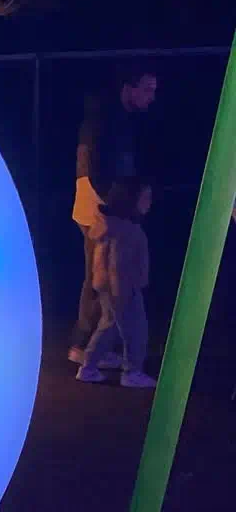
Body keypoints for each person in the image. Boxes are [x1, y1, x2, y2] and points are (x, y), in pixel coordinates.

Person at [70, 68, 157, 367]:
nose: (150, 97)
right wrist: (116, 205)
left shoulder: (114, 120)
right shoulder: (104, 121)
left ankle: (91, 345)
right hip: (100, 210)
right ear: (128, 87)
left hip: (104, 208)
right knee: (102, 279)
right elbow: (93, 166)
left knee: (101, 278)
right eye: (146, 89)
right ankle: (85, 345)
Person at [76, 177, 156, 389]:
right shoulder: (128, 231)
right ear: (131, 200)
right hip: (123, 288)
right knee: (136, 330)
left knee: (108, 325)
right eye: (145, 197)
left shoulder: (110, 226)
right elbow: (117, 264)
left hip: (109, 287)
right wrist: (123, 291)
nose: (149, 202)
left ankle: (89, 367)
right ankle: (132, 371)